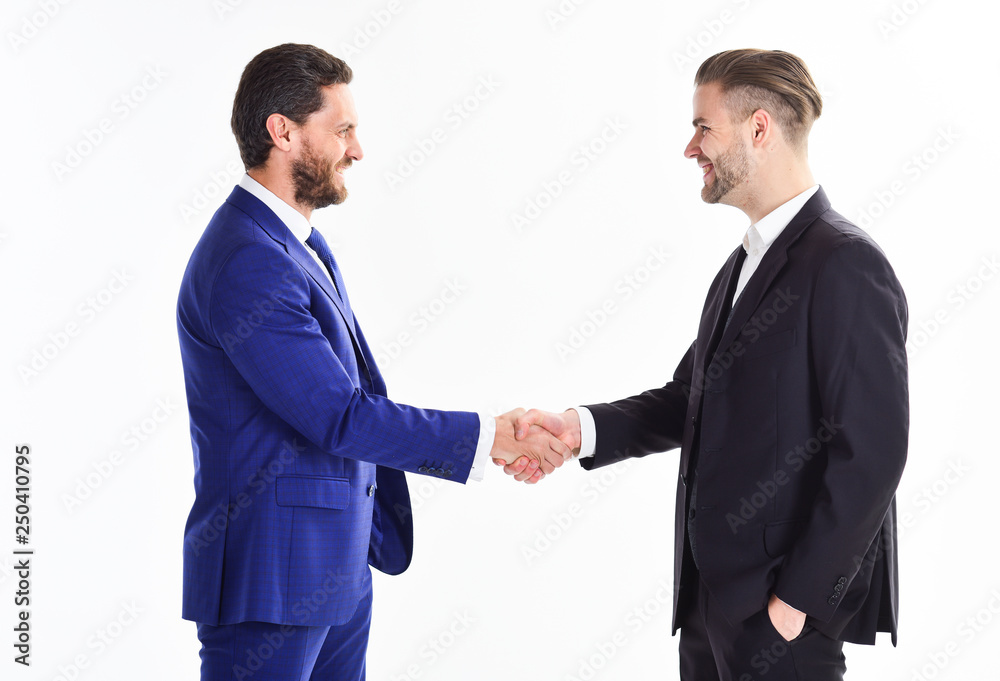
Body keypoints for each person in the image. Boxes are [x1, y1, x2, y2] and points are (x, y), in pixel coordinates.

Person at [505, 49, 908, 680]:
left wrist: (795, 603)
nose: (691, 148)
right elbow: (689, 400)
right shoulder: (743, 263)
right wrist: (577, 428)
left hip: (778, 619)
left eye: (703, 127)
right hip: (708, 605)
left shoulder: (845, 263)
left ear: (758, 129)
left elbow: (873, 453)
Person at [176, 43, 571, 681]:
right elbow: (338, 415)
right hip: (270, 579)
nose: (357, 150)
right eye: (342, 130)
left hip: (333, 569)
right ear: (282, 132)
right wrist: (487, 436)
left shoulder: (293, 243)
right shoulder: (248, 258)